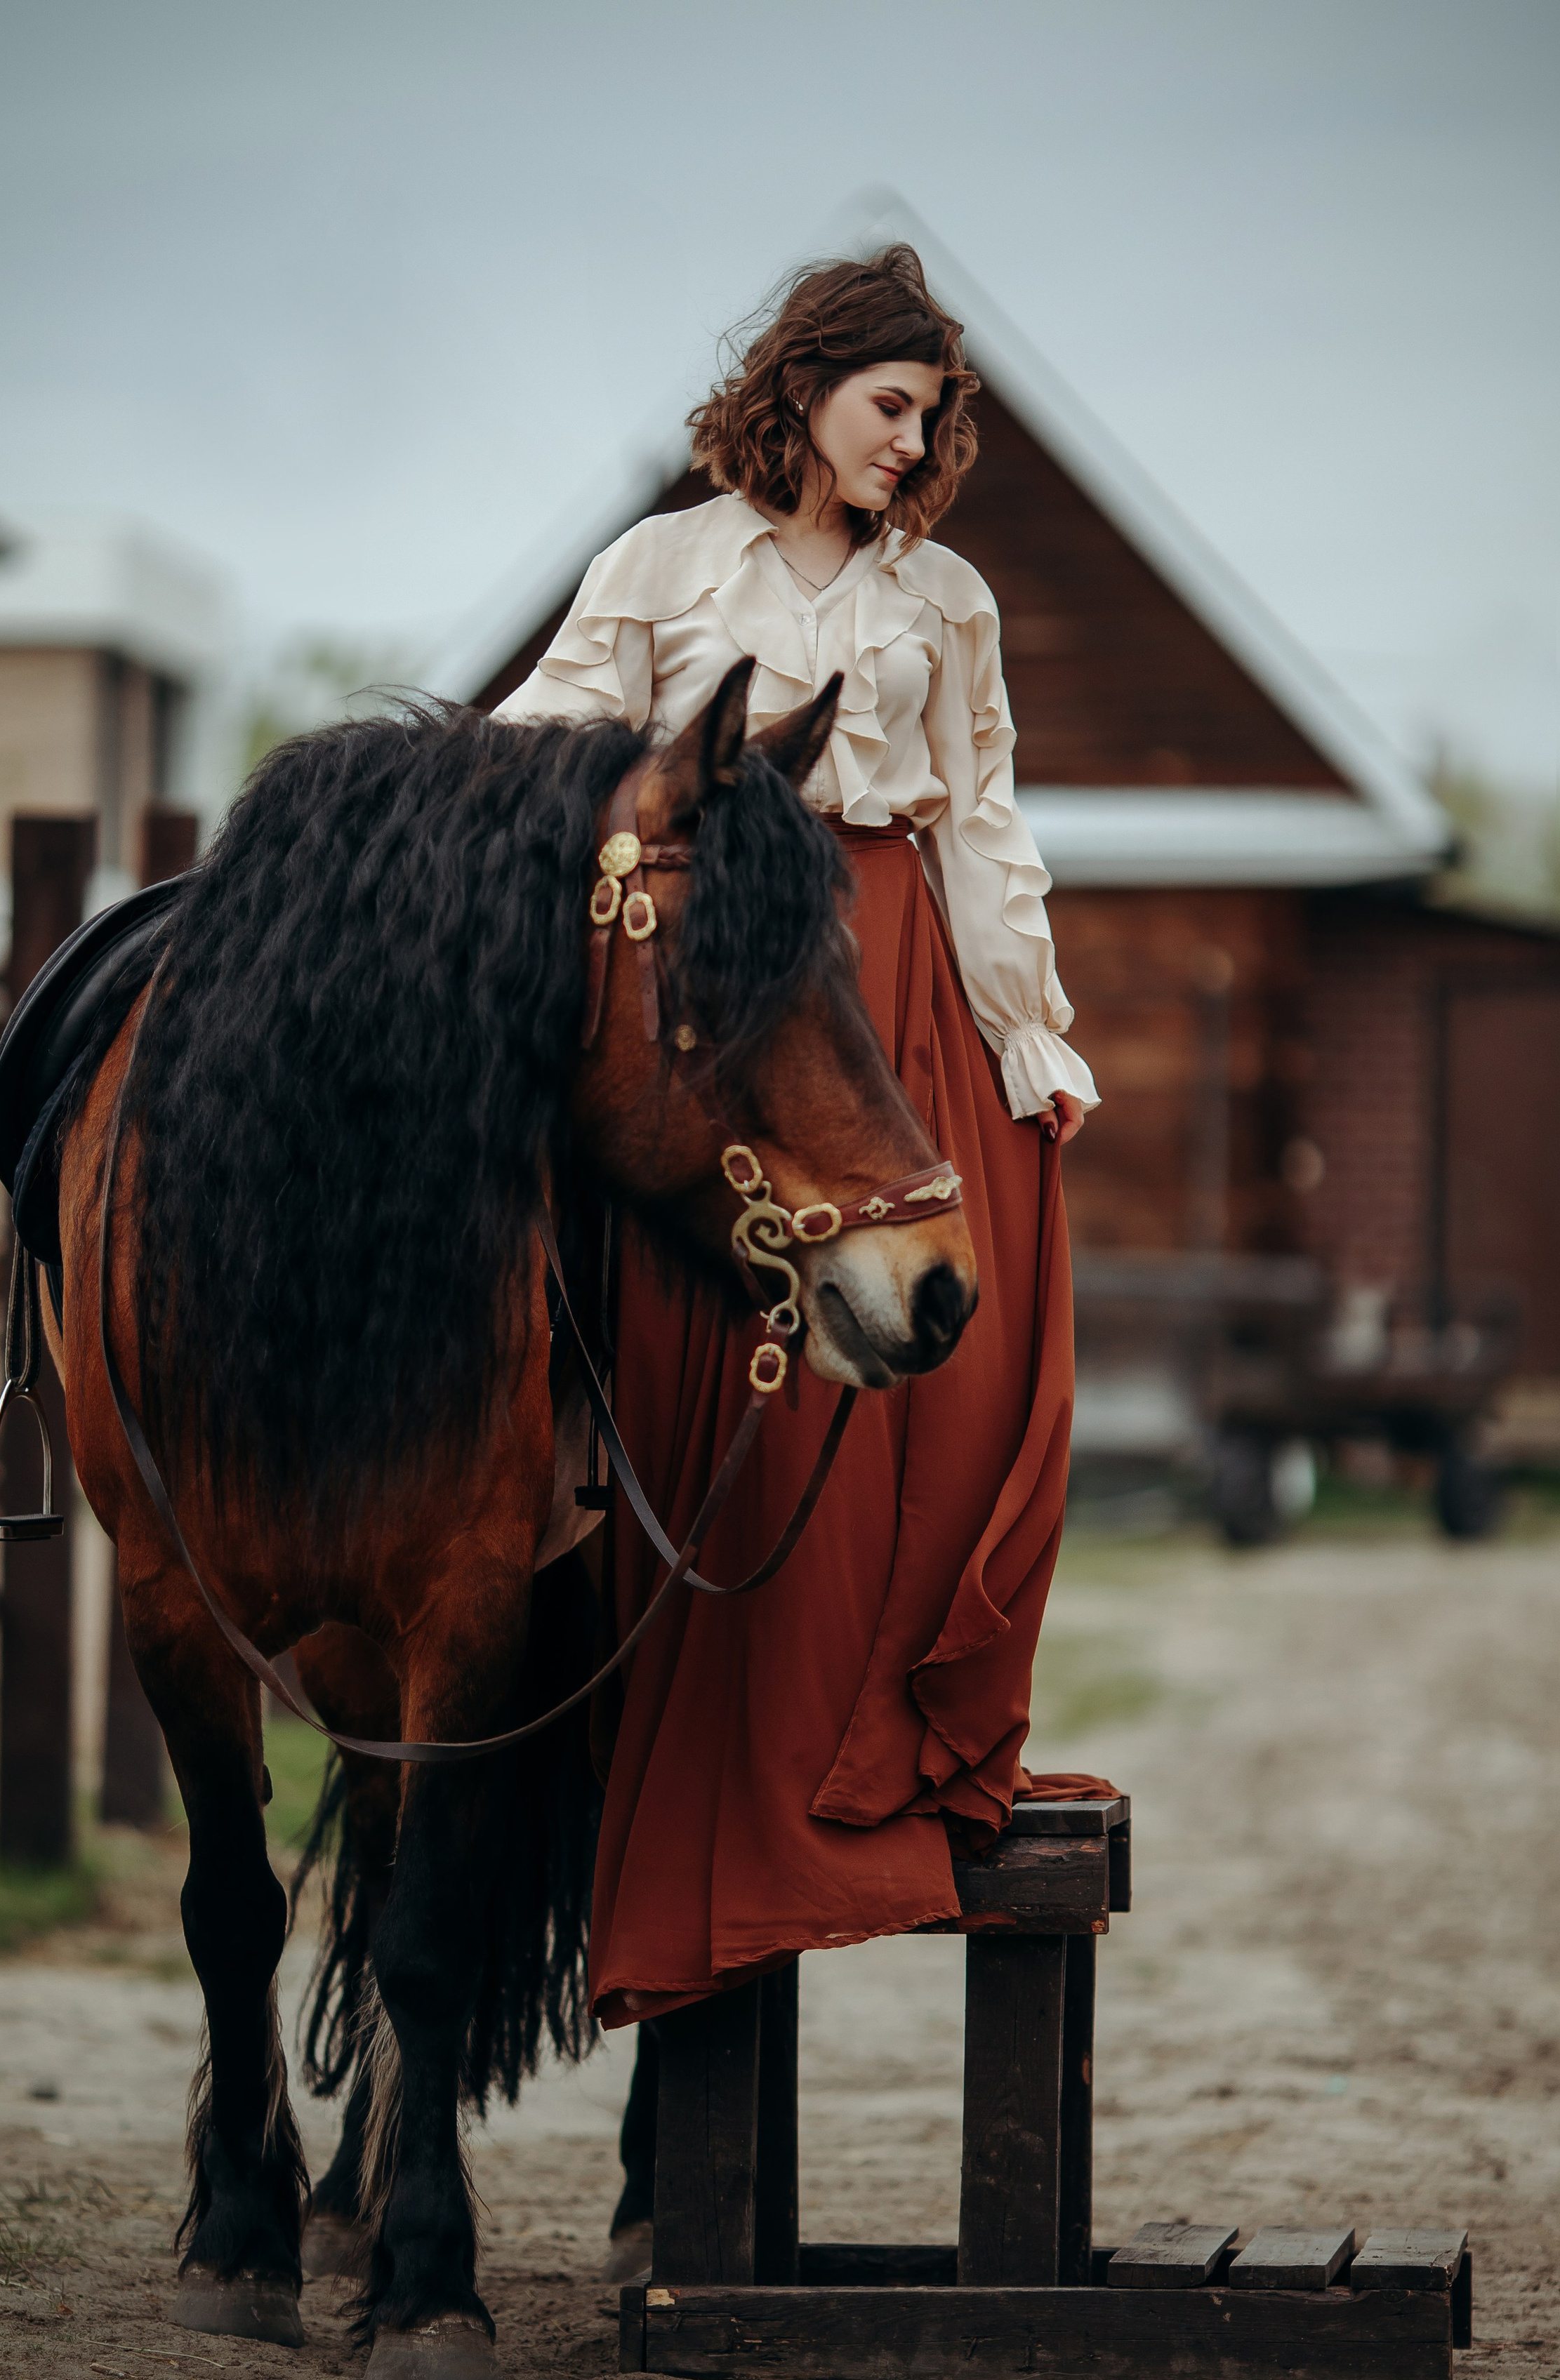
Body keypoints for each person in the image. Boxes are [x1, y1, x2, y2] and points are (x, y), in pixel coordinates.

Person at [498, 244, 1099, 2029]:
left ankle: (879, 1758)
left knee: (964, 1377)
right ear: (803, 386)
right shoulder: (661, 563)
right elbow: (539, 745)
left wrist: (1027, 1030)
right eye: (885, 407)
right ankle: (718, 1787)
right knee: (722, 1410)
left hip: (886, 977)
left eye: (930, 418)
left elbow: (979, 826)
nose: (910, 446)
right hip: (717, 998)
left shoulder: (952, 603)